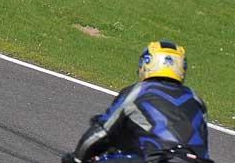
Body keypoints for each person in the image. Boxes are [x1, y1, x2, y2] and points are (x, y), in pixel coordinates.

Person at [62, 41, 212, 163]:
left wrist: (77, 158)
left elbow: (103, 131)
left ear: (148, 63)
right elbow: (204, 148)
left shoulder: (139, 91)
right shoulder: (196, 99)